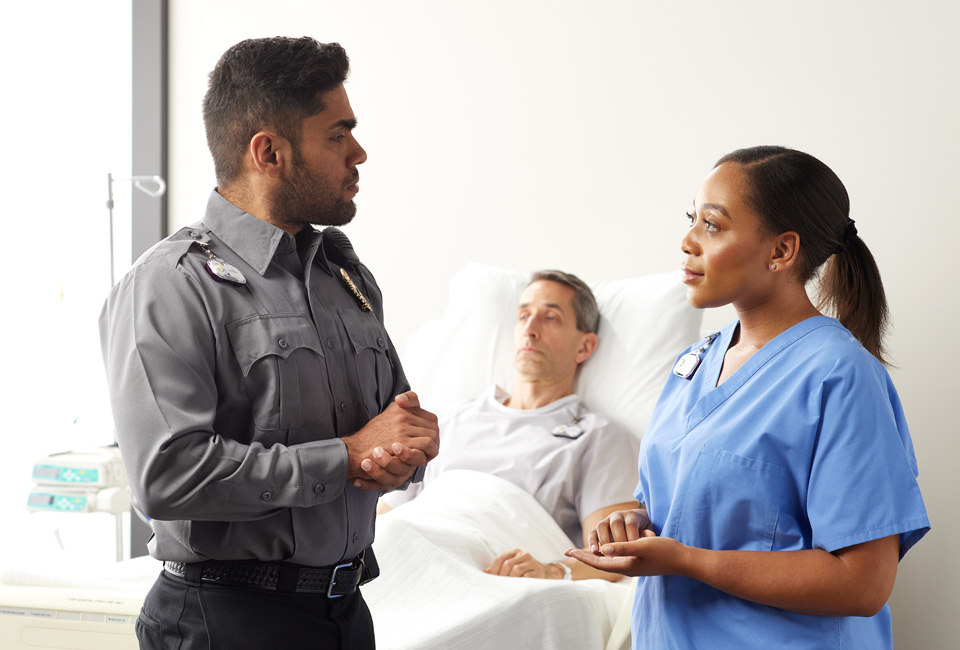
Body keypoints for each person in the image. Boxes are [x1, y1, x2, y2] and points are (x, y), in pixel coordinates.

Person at [99, 37, 439, 650]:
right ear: (269, 151)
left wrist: (404, 449)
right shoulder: (170, 285)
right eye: (338, 135)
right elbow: (167, 477)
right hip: (224, 622)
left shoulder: (346, 276)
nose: (358, 153)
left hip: (345, 615)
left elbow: (388, 428)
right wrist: (348, 453)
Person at [567, 146, 930, 648]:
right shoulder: (694, 363)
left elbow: (863, 583)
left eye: (712, 225)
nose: (687, 241)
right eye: (691, 219)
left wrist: (688, 561)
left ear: (782, 251)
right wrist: (634, 521)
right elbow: (680, 507)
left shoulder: (839, 375)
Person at [380, 270, 639, 582]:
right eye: (523, 315)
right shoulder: (448, 421)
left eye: (551, 318)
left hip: (494, 573)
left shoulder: (599, 437)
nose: (530, 329)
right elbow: (389, 520)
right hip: (409, 552)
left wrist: (552, 571)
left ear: (584, 347)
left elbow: (615, 558)